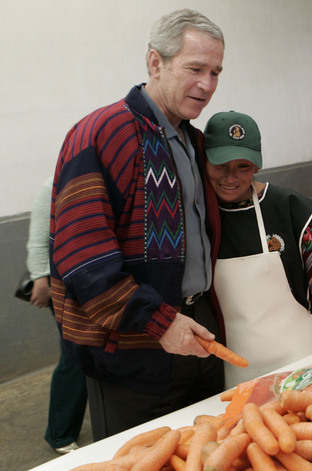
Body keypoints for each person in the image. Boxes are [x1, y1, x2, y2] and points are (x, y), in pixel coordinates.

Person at [50, 9, 226, 441]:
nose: (206, 85)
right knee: (141, 455)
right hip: (131, 346)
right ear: (155, 63)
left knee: (201, 451)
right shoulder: (103, 133)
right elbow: (82, 260)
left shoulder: (193, 140)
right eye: (195, 69)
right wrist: (158, 320)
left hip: (197, 332)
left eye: (216, 72)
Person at [203, 111, 312, 388]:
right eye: (220, 165)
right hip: (238, 367)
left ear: (257, 166)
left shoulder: (287, 206)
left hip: (301, 354)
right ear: (204, 162)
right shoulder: (198, 214)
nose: (230, 177)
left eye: (243, 167)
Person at [27, 177, 87, 454]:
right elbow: (38, 240)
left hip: (92, 284)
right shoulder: (51, 187)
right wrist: (41, 278)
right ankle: (60, 434)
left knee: (89, 356)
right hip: (63, 286)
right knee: (74, 358)